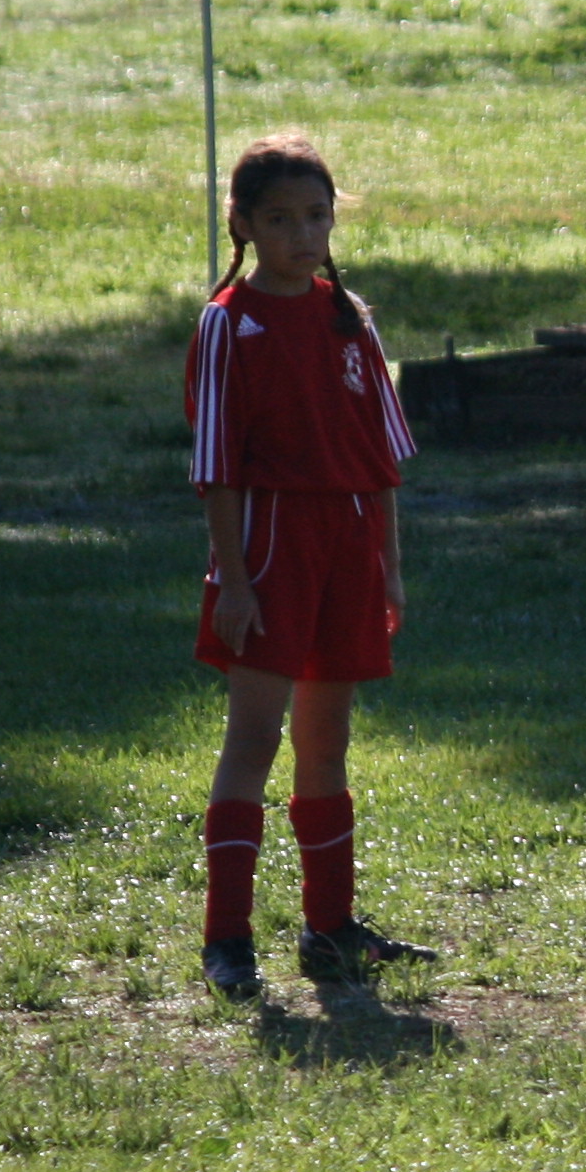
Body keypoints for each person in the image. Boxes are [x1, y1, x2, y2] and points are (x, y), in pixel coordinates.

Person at [184, 133, 436, 1001]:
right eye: (281, 219)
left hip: (349, 545)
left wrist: (389, 568)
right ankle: (227, 939)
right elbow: (217, 467)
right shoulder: (228, 323)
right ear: (243, 224)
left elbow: (381, 457)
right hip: (270, 546)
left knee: (327, 743)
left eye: (316, 216)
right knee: (254, 739)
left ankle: (330, 929)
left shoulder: (348, 316)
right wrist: (235, 579)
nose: (302, 234)